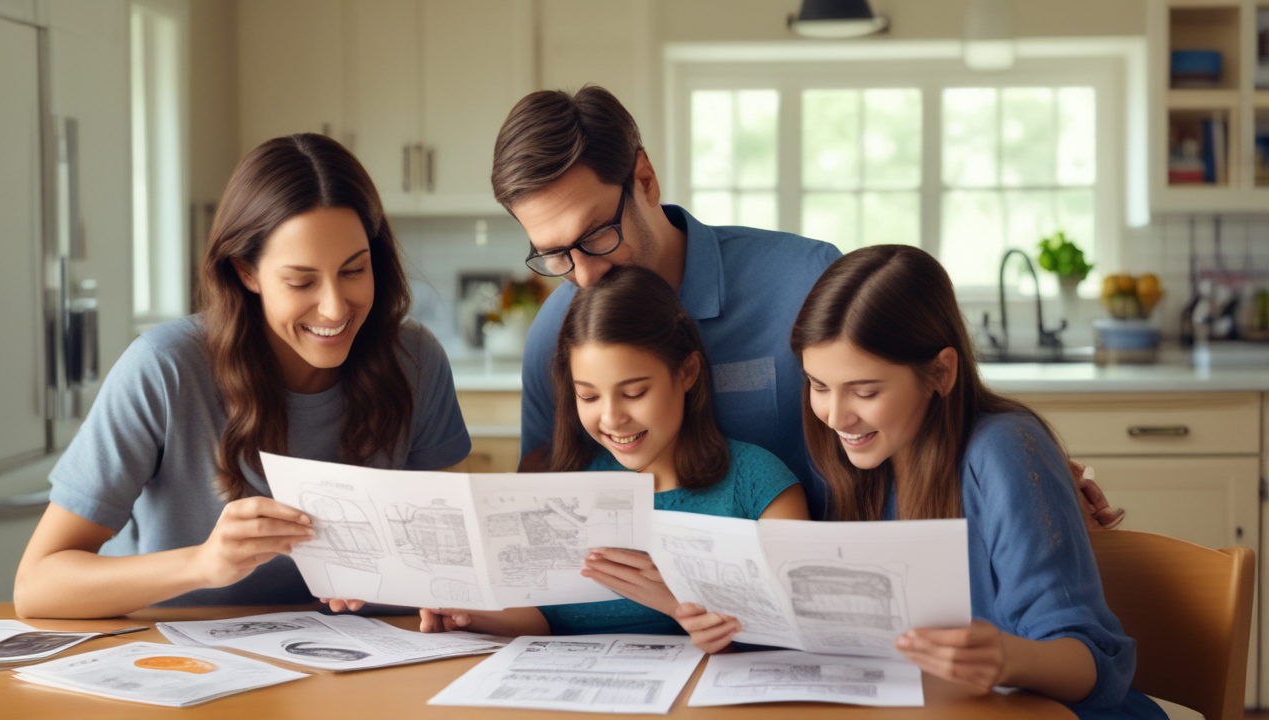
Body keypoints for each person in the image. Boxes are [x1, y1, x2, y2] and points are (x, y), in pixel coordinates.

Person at [676, 246, 1163, 720]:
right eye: (818, 385)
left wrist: (1007, 657)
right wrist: (729, 623)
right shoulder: (838, 455)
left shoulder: (1003, 449)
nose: (835, 415)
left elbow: (1099, 666)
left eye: (865, 391)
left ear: (941, 372)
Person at [14, 134, 471, 619]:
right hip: (184, 660)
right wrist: (202, 564)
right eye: (301, 281)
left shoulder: (415, 359)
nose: (336, 307)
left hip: (365, 659)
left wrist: (412, 579)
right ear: (246, 272)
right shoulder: (163, 368)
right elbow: (37, 585)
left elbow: (453, 559)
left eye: (354, 271)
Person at [492, 84, 842, 517]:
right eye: (556, 254)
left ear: (645, 180)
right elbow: (547, 495)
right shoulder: (553, 333)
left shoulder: (808, 283)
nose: (584, 276)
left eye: (597, 234)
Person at [418, 266, 810, 637]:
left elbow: (800, 625)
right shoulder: (553, 480)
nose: (611, 418)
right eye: (587, 395)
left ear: (687, 372)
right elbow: (542, 618)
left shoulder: (760, 486)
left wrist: (685, 604)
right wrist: (468, 612)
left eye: (634, 393)